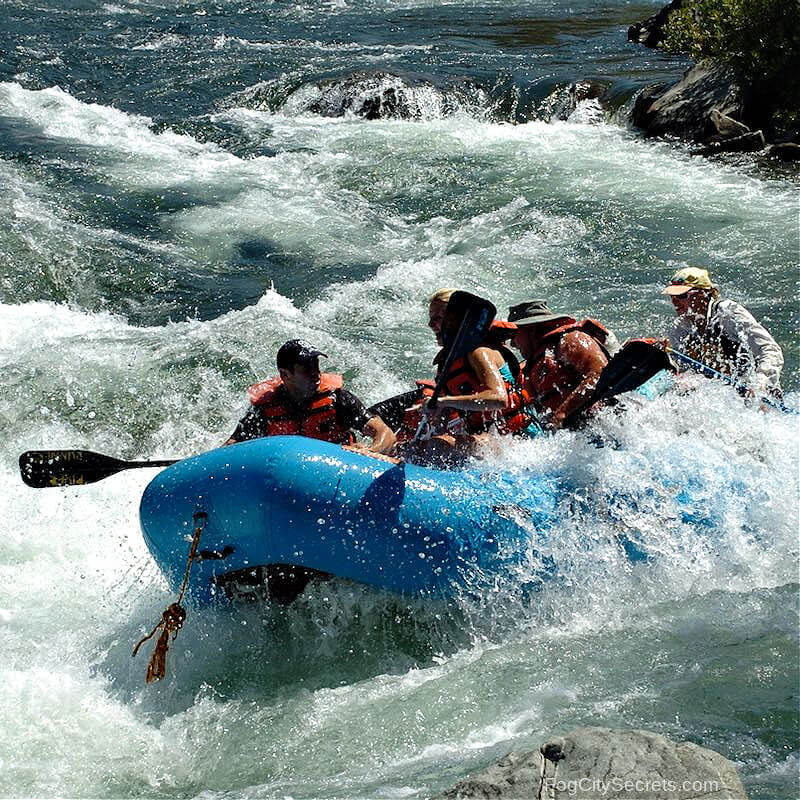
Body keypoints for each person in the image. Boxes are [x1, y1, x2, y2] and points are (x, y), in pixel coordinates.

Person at [394, 289, 538, 465]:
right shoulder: (448, 365)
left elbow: (499, 399)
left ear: (455, 321)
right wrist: (434, 412)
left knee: (438, 446)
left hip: (520, 440)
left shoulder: (480, 352)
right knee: (413, 448)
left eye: (438, 318)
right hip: (488, 439)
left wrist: (444, 401)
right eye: (431, 318)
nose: (431, 324)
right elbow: (441, 426)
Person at [225, 339, 396, 453]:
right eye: (306, 369)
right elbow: (230, 450)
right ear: (285, 375)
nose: (316, 374)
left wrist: (369, 453)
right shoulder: (263, 410)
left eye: (316, 365)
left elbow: (386, 434)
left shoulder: (338, 400)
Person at [663, 266, 784, 397]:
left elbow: (770, 349)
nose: (675, 303)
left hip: (755, 393)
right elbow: (678, 365)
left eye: (682, 296)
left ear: (703, 294)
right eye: (672, 297)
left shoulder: (727, 314)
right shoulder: (681, 326)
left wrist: (760, 383)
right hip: (720, 395)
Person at [508, 299, 618, 430]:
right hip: (574, 436)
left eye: (514, 335)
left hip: (606, 423)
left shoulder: (570, 340)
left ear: (531, 329)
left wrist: (562, 414)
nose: (513, 344)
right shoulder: (531, 366)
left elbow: (599, 374)